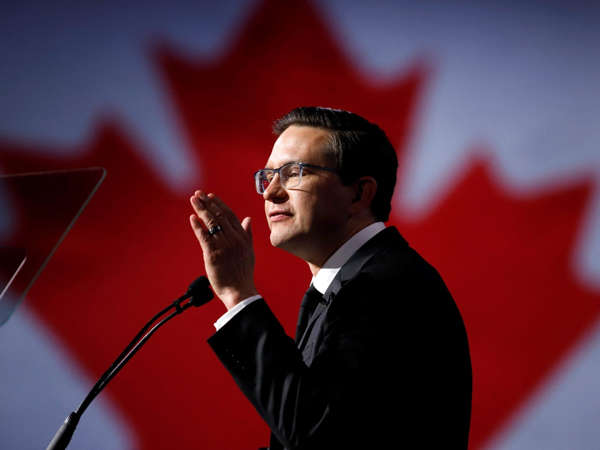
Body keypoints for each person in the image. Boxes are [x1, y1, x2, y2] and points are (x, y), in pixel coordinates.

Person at [189, 106, 472, 449]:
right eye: (268, 176)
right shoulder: (352, 284)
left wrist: (238, 295)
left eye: (293, 173)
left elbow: (315, 430)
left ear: (359, 193)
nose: (270, 192)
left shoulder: (385, 287)